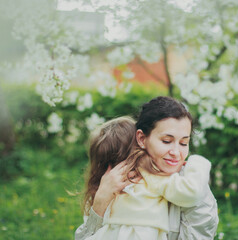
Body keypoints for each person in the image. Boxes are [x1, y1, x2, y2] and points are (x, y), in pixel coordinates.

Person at [75, 96, 219, 240]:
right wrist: (100, 202)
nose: (176, 153)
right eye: (167, 141)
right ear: (142, 139)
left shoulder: (192, 185)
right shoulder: (114, 182)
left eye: (183, 143)